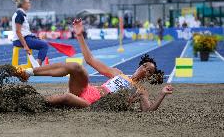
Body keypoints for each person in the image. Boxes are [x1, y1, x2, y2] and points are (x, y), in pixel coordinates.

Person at [15, 19, 173, 112]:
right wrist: (79, 35)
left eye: (149, 70)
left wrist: (162, 94)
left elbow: (148, 110)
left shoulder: (141, 91)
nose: (145, 69)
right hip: (86, 89)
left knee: (66, 97)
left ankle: (29, 104)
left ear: (149, 76)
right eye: (144, 65)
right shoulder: (118, 73)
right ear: (140, 65)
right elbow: (90, 59)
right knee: (76, 67)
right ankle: (28, 72)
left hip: (93, 103)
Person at [11, 0, 49, 65]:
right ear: (23, 4)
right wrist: (25, 45)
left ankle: (37, 65)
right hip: (20, 40)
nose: (29, 4)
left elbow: (24, 31)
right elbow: (18, 32)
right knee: (44, 45)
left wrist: (35, 37)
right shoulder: (20, 15)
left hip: (25, 38)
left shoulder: (21, 14)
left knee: (43, 42)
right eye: (28, 2)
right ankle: (37, 66)